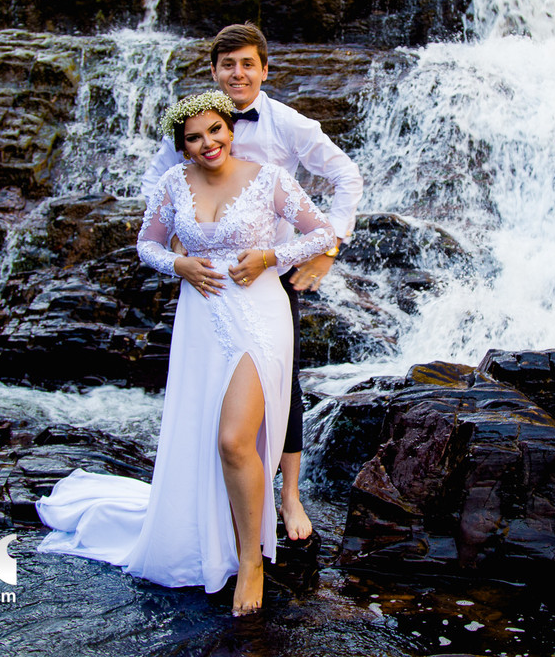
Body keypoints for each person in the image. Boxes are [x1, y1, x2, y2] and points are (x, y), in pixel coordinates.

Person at [37, 90, 335, 615]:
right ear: (183, 146)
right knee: (208, 433)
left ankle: (250, 561)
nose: (208, 143)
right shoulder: (175, 183)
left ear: (230, 129)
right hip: (202, 319)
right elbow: (146, 244)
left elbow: (323, 233)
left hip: (260, 315)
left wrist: (271, 255)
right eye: (194, 138)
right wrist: (180, 266)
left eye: (215, 131)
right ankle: (212, 534)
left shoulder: (269, 179)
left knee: (233, 439)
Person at [140, 23, 363, 543]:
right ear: (214, 72)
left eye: (247, 64)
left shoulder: (289, 124)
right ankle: (212, 496)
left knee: (283, 384)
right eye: (227, 65)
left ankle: (288, 498)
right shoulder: (198, 125)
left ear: (264, 69)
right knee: (208, 382)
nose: (237, 74)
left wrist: (329, 250)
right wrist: (177, 247)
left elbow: (346, 177)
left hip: (272, 273)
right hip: (209, 280)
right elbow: (158, 183)